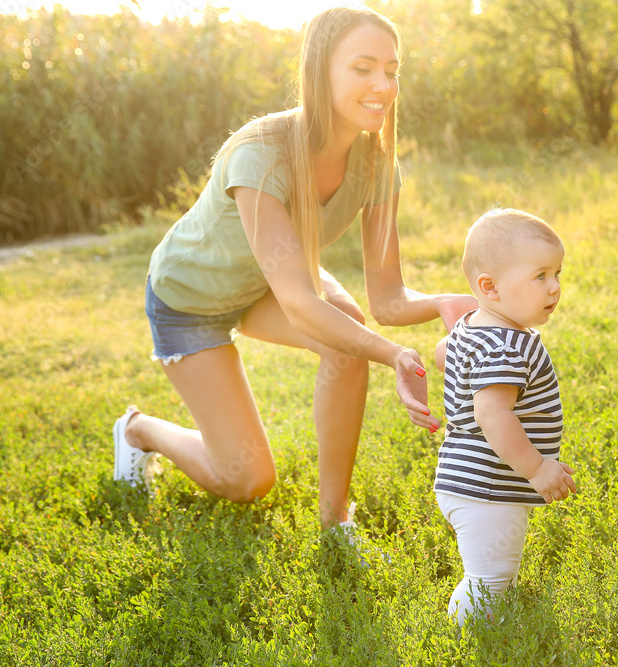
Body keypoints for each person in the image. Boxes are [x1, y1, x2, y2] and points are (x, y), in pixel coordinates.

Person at [111, 6, 476, 529]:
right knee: (247, 480)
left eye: (391, 70)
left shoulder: (377, 166)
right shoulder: (263, 153)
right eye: (363, 67)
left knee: (346, 336)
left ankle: (334, 522)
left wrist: (441, 302)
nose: (383, 84)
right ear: (320, 69)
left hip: (267, 285)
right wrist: (394, 355)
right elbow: (303, 305)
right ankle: (139, 430)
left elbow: (388, 300)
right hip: (187, 302)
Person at [432, 208, 576, 626]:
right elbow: (493, 415)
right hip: (488, 486)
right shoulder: (505, 347)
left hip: (471, 480)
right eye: (540, 276)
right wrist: (536, 469)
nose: (555, 287)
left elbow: (444, 353)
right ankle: (468, 639)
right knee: (487, 579)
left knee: (496, 570)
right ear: (489, 287)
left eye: (557, 274)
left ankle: (495, 611)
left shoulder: (473, 327)